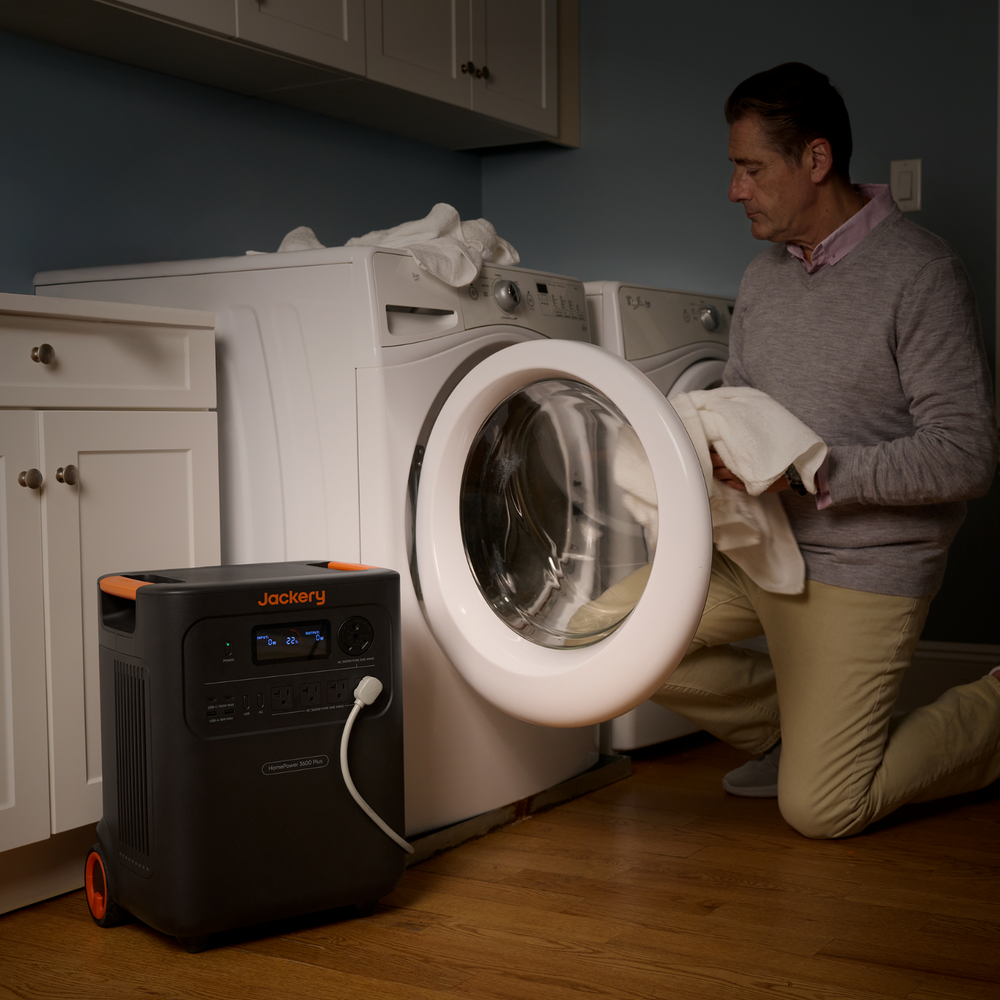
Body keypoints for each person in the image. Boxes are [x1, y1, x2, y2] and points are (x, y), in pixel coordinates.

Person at [651, 62, 1000, 839]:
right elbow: (738, 410)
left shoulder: (923, 273)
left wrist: (815, 473)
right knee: (615, 636)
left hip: (864, 568)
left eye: (751, 169)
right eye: (734, 169)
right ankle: (791, 733)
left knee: (822, 810)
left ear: (815, 160)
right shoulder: (762, 279)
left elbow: (966, 455)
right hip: (761, 549)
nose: (735, 190)